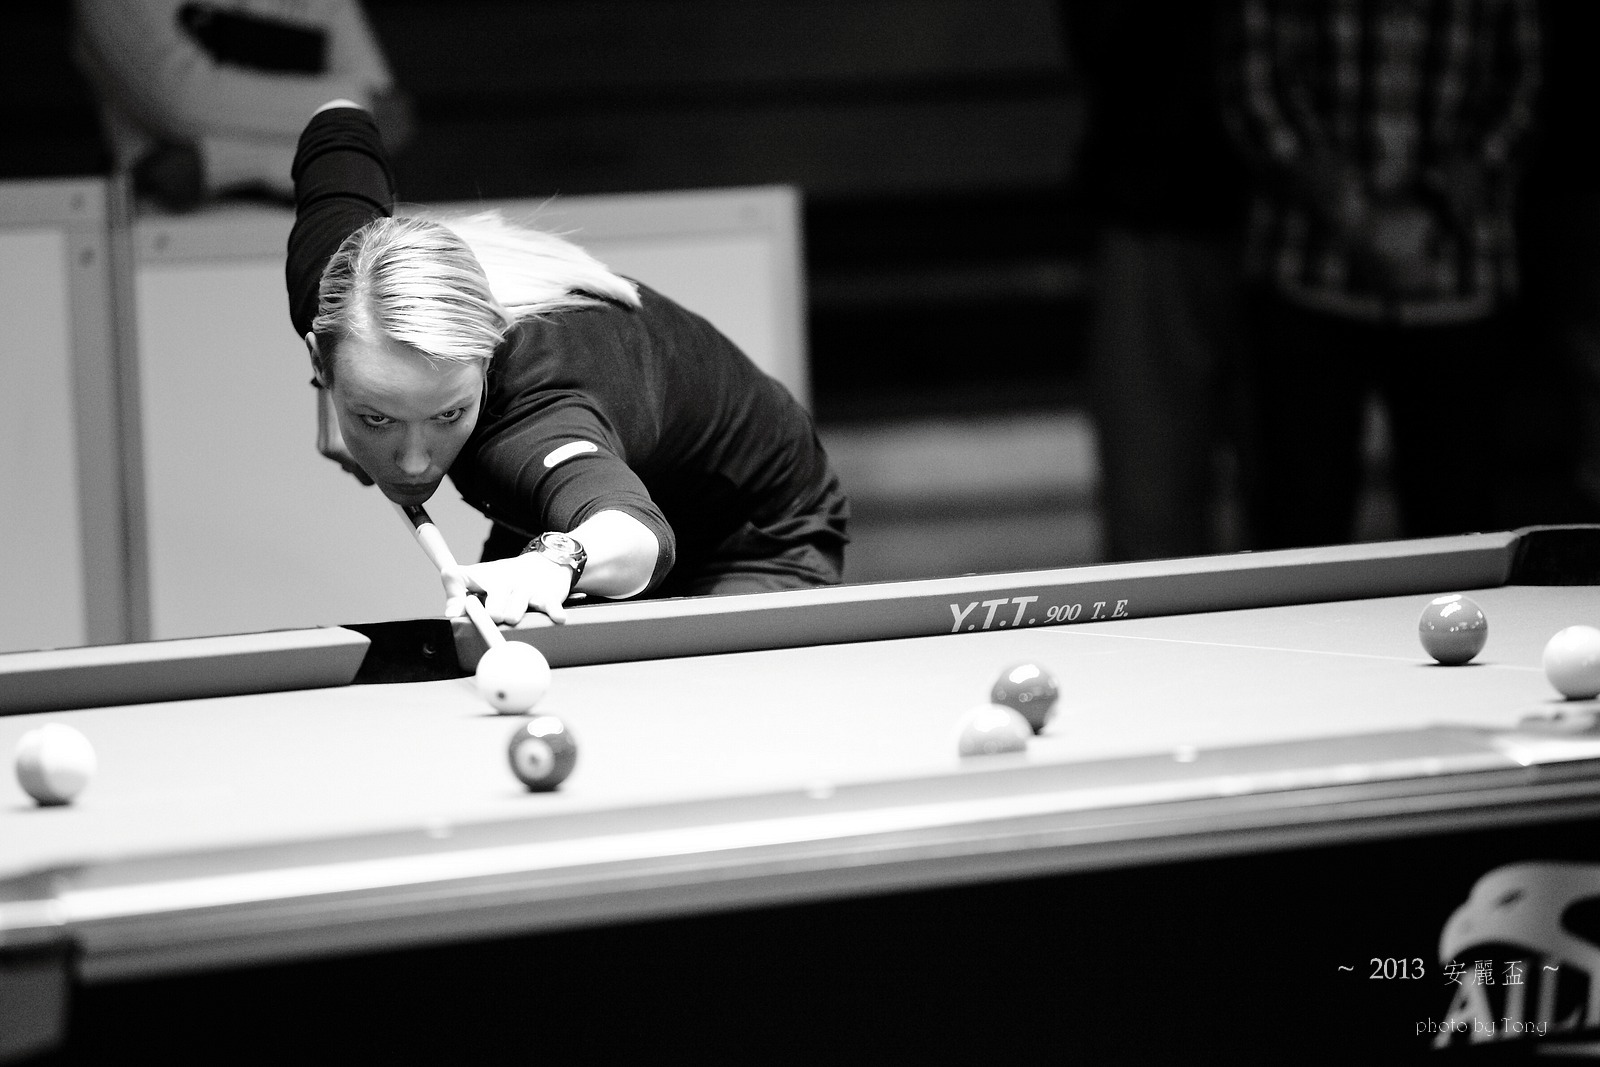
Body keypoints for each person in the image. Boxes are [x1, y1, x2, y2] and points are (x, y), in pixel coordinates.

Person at [286, 102, 849, 625]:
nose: (413, 462)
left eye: (447, 414)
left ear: (486, 357)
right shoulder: (346, 286)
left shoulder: (531, 422)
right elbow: (339, 119)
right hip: (601, 486)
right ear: (321, 355)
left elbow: (637, 534)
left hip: (750, 531)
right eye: (378, 417)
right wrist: (330, 389)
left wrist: (556, 558)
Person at [1222, 0, 1541, 549]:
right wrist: (1351, 213)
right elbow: (1255, 85)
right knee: (1300, 528)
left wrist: (1434, 207)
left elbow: (1523, 88)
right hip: (1307, 271)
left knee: (1458, 532)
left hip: (1460, 274)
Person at [1064, 0, 1253, 561]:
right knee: (1153, 508)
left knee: (1299, 505)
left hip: (1302, 225)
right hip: (1159, 203)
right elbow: (1110, 42)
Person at [71, 0, 407, 211]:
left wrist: (215, 164)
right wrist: (351, 108)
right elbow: (184, 104)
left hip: (320, 234)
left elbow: (386, 127)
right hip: (167, 245)